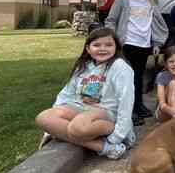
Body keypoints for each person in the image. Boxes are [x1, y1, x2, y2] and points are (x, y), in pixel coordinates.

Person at [35, 27, 135, 159]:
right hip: (81, 108)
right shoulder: (83, 66)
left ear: (116, 47)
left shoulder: (120, 67)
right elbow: (67, 93)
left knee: (78, 128)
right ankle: (104, 148)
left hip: (106, 112)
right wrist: (52, 125)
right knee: (43, 118)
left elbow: (126, 100)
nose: (102, 48)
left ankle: (111, 137)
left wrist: (119, 134)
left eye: (109, 45)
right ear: (88, 48)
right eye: (97, 45)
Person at [105, 0, 169, 126]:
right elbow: (111, 20)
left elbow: (155, 23)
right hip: (127, 44)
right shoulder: (122, 0)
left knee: (139, 77)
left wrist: (157, 43)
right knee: (128, 78)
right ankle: (129, 111)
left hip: (144, 45)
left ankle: (138, 105)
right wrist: (113, 40)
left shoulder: (150, 1)